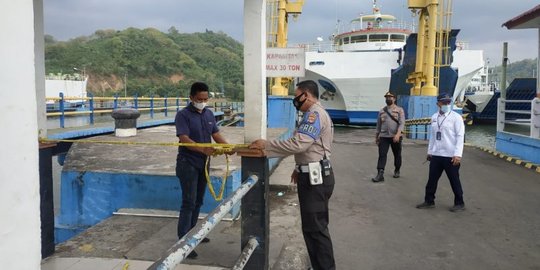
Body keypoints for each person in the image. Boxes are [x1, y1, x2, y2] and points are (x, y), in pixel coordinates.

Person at [249, 80, 335, 270]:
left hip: (316, 178)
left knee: (316, 229)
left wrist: (267, 145)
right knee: (312, 228)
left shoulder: (314, 114)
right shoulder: (310, 114)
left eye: (297, 97)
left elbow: (299, 144)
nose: (295, 101)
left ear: (307, 95)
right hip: (313, 174)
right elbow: (311, 148)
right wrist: (298, 168)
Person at [175, 82, 229, 258]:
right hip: (188, 163)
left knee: (198, 201)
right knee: (188, 202)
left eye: (206, 99)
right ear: (191, 98)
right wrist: (203, 149)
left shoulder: (209, 114)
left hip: (204, 163)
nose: (203, 102)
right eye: (200, 99)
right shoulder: (183, 115)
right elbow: (184, 138)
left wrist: (229, 147)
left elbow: (216, 134)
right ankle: (183, 242)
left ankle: (193, 233)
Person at [416, 93, 466, 212]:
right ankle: (429, 201)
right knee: (432, 180)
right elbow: (433, 136)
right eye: (444, 102)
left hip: (450, 155)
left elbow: (460, 137)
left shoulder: (456, 118)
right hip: (437, 155)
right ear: (438, 103)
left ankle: (459, 202)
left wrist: (458, 155)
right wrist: (430, 151)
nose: (447, 104)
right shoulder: (434, 117)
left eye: (449, 102)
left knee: (454, 180)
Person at [372, 91, 405, 182]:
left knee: (397, 155)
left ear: (394, 99)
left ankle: (397, 169)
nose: (388, 99)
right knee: (382, 155)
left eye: (390, 97)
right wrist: (376, 136)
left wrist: (398, 134)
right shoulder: (382, 111)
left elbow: (402, 123)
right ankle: (380, 173)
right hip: (384, 137)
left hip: (395, 136)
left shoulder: (399, 110)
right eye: (387, 97)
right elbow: (378, 125)